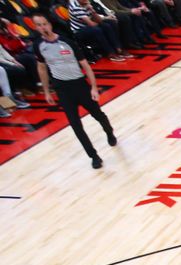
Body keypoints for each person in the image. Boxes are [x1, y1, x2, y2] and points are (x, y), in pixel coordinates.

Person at [32, 13, 116, 169]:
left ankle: (109, 132)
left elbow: (85, 65)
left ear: (50, 24)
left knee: (98, 115)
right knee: (76, 125)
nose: (43, 27)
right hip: (62, 89)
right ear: (36, 27)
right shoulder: (38, 46)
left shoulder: (67, 42)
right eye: (39, 25)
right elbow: (42, 68)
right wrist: (47, 91)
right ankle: (93, 155)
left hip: (80, 85)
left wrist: (93, 87)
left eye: (44, 23)